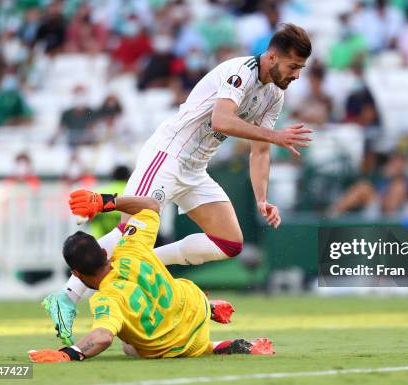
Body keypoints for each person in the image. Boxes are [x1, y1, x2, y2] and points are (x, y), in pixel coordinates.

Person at [43, 23, 312, 345]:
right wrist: (276, 135)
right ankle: (65, 298)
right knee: (130, 231)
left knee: (229, 243)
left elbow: (261, 151)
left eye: (301, 69)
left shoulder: (273, 95)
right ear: (272, 57)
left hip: (196, 168)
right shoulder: (240, 72)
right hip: (168, 155)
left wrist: (261, 199)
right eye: (293, 66)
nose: (296, 75)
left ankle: (148, 262)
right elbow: (221, 120)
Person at [29, 190, 273, 362]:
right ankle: (207, 307)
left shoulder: (105, 300)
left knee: (129, 345)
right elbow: (152, 206)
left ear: (76, 274)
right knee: (166, 287)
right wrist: (104, 202)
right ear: (105, 251)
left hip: (183, 345)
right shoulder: (131, 246)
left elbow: (102, 338)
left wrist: (69, 353)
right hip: (191, 305)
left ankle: (220, 345)